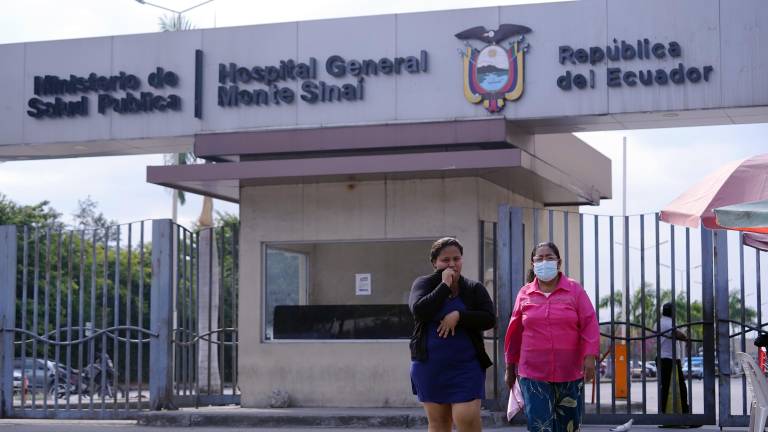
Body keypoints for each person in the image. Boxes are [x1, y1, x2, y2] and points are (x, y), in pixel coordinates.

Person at [504, 242, 600, 432]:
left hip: (569, 371)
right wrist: (509, 367)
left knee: (568, 427)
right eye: (539, 259)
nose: (544, 262)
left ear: (559, 262)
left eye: (549, 257)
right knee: (540, 427)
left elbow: (589, 323)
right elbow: (514, 333)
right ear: (533, 264)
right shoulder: (524, 293)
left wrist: (590, 357)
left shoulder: (574, 290)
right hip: (533, 373)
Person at [409, 237, 496, 432]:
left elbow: (489, 319)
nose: (452, 264)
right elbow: (419, 311)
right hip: (430, 366)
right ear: (434, 263)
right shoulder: (423, 284)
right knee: (439, 423)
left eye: (456, 259)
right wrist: (444, 286)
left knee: (466, 418)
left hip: (466, 366)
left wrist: (459, 316)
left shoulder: (474, 288)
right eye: (445, 260)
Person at [658, 302, 693, 419]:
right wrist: (687, 339)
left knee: (666, 387)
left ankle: (664, 415)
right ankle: (685, 415)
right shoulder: (668, 323)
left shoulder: (659, 322)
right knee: (680, 387)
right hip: (669, 359)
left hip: (663, 358)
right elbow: (677, 333)